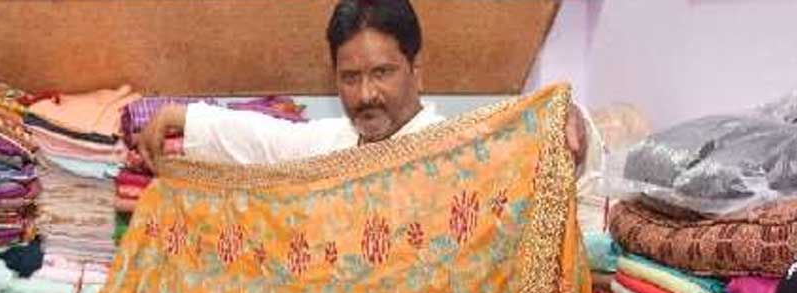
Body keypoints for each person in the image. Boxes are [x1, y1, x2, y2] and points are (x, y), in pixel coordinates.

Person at [136, 0, 588, 172]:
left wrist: (572, 128)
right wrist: (181, 116)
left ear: (417, 71)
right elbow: (267, 141)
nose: (365, 94)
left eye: (382, 73)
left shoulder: (460, 147)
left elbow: (542, 154)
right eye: (350, 78)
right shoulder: (333, 143)